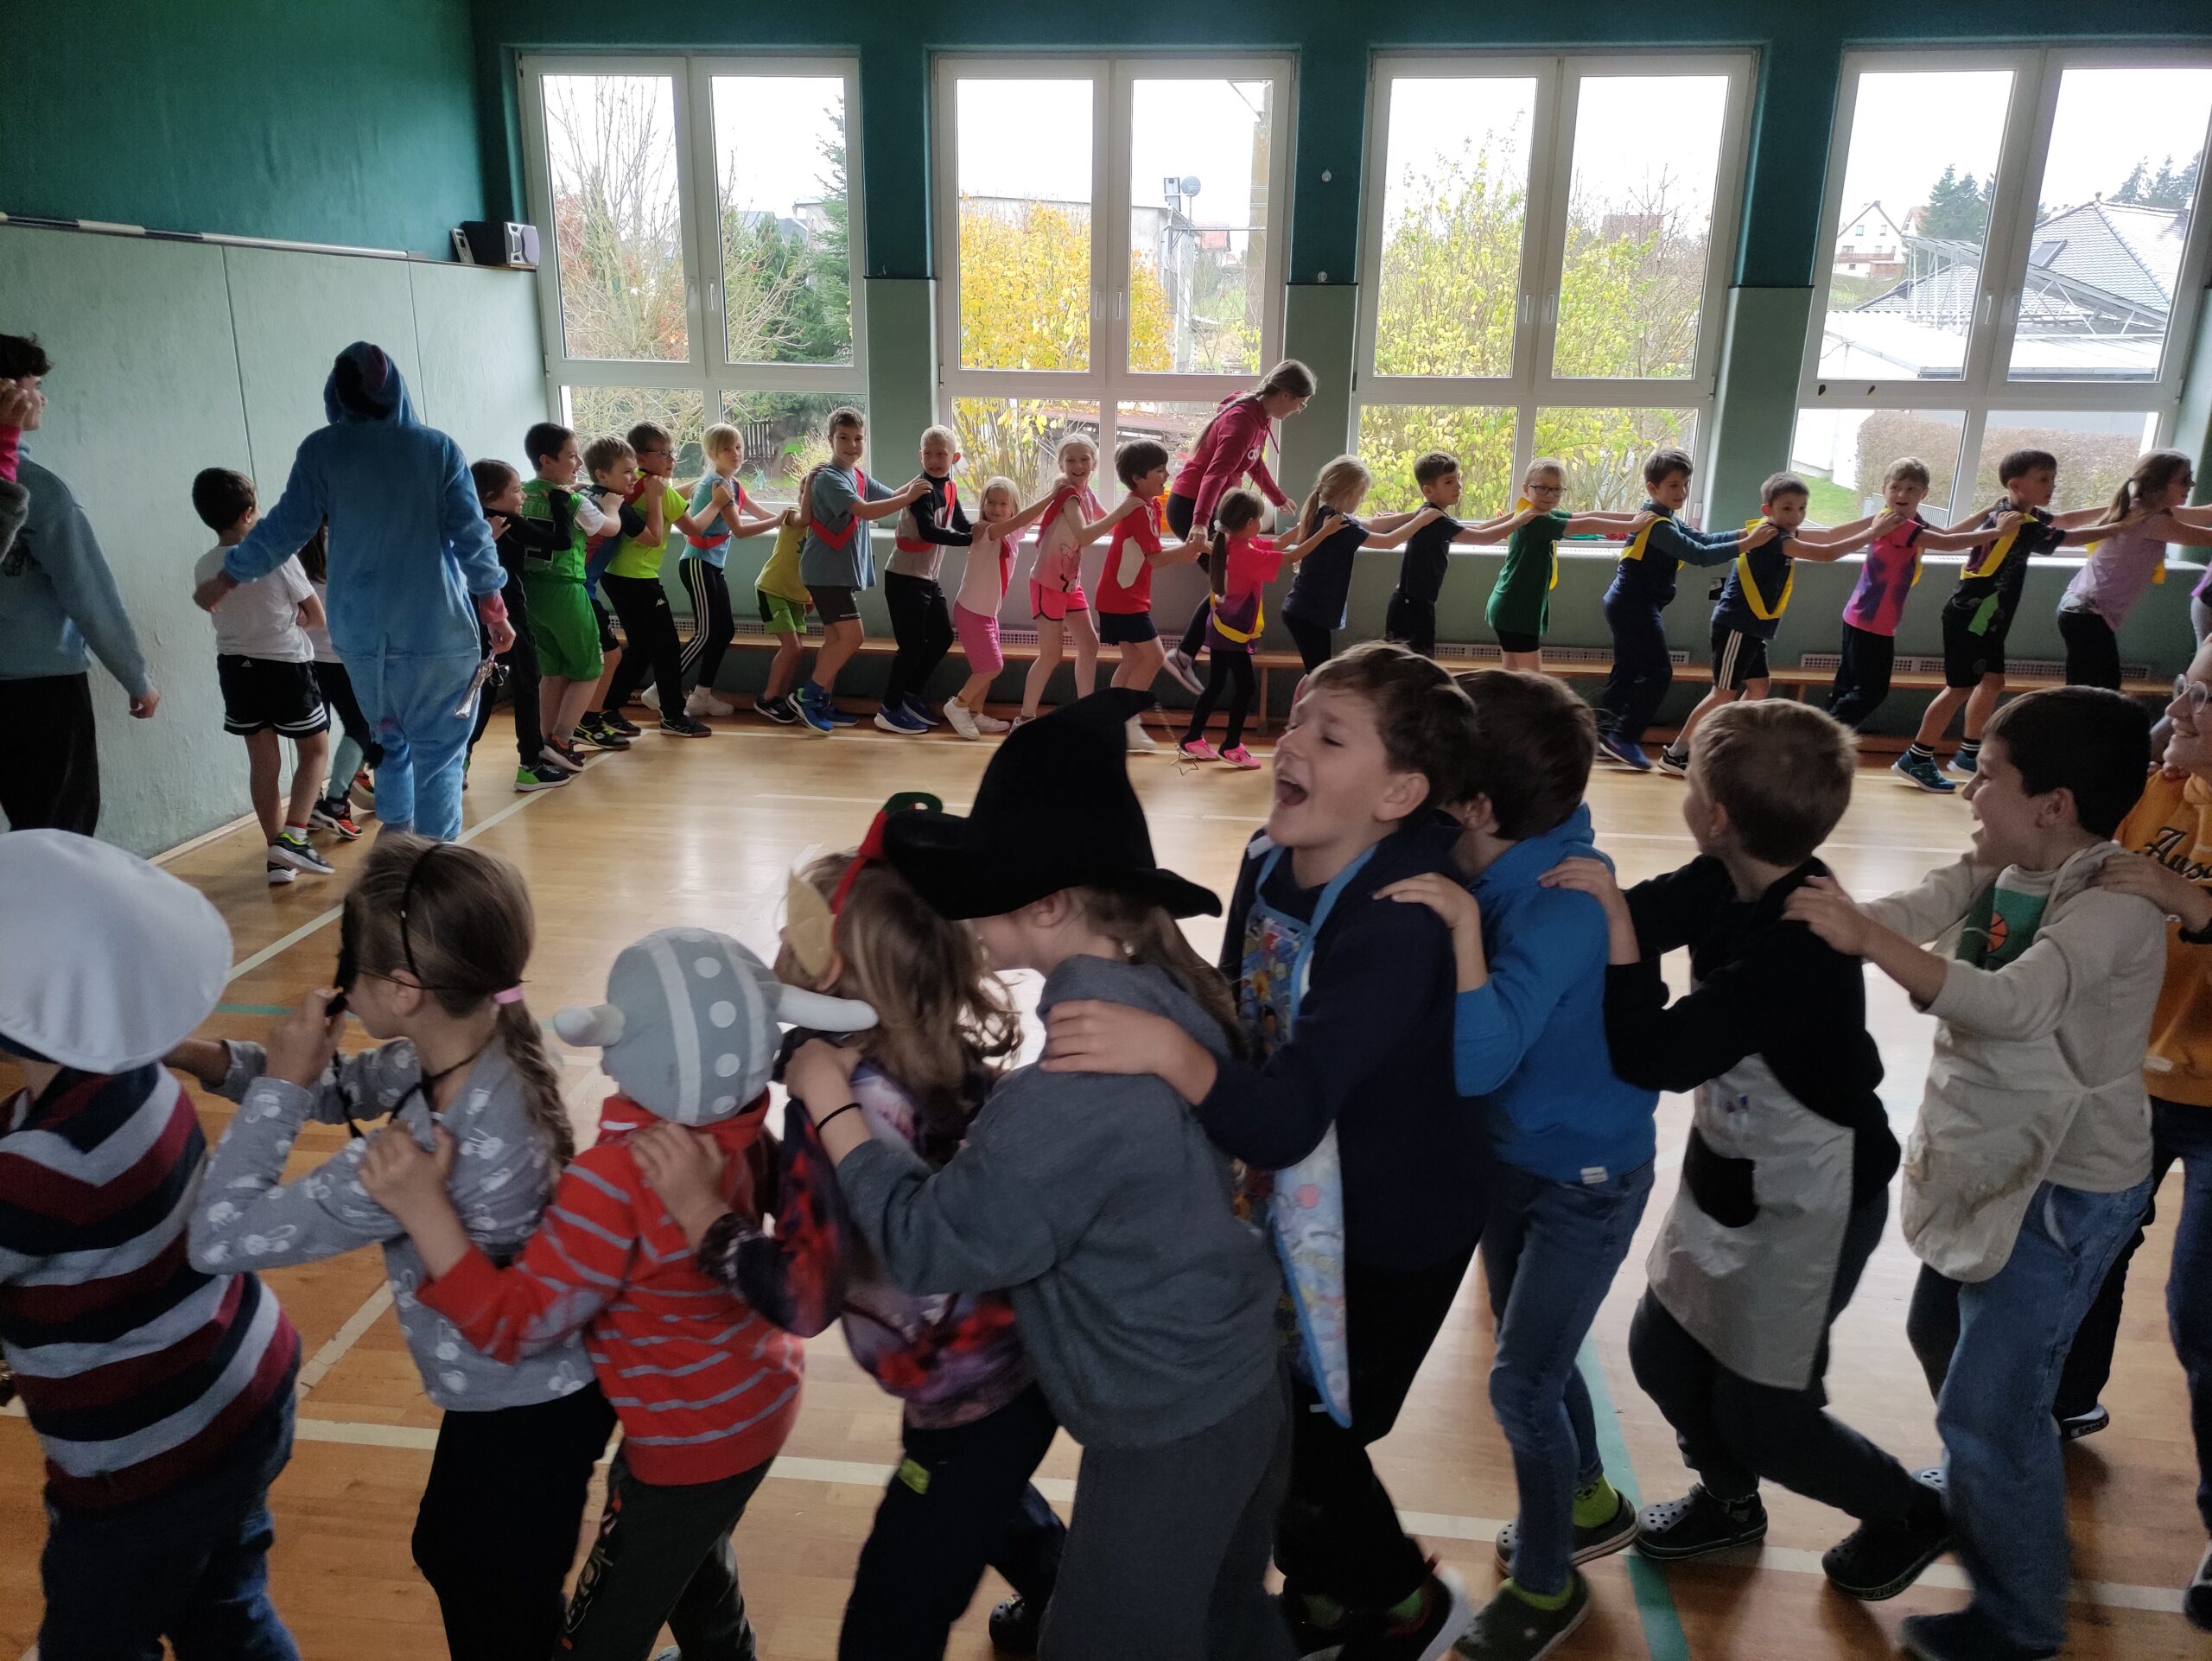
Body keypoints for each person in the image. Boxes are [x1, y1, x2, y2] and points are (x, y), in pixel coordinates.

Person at [794, 688, 1290, 1661]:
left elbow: (927, 1243)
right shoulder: (1158, 992)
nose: (964, 916)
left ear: (1051, 905)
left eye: (983, 887)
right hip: (1235, 1384)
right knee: (1226, 1621)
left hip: (1169, 1427)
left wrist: (830, 1102)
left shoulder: (1072, 1087)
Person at [1045, 647, 1486, 1661]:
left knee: (1312, 1433)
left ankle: (1406, 1603)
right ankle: (1327, 1597)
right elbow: (1242, 1008)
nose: (1291, 744)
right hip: (1291, 1196)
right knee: (1275, 1418)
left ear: (1399, 793)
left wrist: (1168, 1053)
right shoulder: (1266, 853)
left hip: (1390, 1223)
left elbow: (1286, 1114)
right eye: (1295, 720)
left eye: (1330, 735)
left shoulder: (1398, 920)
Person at [360, 926, 872, 1660]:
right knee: (690, 1555)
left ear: (619, 1045)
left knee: (604, 1630)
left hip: (686, 1440)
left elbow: (514, 1325)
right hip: (757, 1402)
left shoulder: (614, 1180)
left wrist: (423, 1208)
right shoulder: (743, 1132)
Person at [1784, 687, 2162, 1661]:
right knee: (1936, 1329)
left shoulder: (2114, 905)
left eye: (1986, 774)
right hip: (1997, 1158)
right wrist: (1826, 922)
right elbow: (1921, 905)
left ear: (2054, 804)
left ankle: (2020, 1620)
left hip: (2066, 1190)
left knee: (1990, 1404)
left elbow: (2014, 1004)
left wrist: (1867, 942)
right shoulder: (2007, 864)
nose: (1967, 789)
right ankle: (1985, 1480)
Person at [166, 837, 612, 1661]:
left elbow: (219, 1236)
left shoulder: (409, 1160)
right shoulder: (486, 1040)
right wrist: (202, 1057)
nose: (340, 983)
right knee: (455, 1554)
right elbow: (345, 1087)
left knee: (493, 1600)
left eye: (351, 968)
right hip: (523, 1393)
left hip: (525, 1409)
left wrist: (281, 1088)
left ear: (404, 991)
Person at [1544, 701, 1950, 1606]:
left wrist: (1614, 940)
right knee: (1662, 1349)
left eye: (1690, 781)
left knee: (1765, 1413)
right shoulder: (1722, 877)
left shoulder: (1801, 940)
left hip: (1817, 1195)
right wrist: (1560, 911)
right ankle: (1729, 1501)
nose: (1685, 794)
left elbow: (1657, 1054)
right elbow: (1638, 915)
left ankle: (1907, 1512)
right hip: (1734, 1166)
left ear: (1717, 815)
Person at [633, 831, 1068, 1661]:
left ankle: (1073, 1607)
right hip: (1017, 1365)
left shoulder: (834, 1107)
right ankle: (1058, 1589)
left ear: (827, 974)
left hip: (964, 1397)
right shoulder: (934, 1050)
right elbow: (854, 1217)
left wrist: (701, 1214)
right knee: (989, 1497)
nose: (775, 944)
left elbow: (806, 1298)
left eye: (789, 933)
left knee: (887, 1621)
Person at [1376, 670, 1655, 1659]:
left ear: (1476, 805)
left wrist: (1460, 927)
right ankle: (1586, 1499)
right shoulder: (1488, 846)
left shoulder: (1560, 903)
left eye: (1430, 770)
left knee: (1521, 1384)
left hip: (1584, 1179)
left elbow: (1480, 1057)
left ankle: (1547, 1581)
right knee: (1537, 1348)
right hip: (1510, 1155)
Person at [0, 830, 302, 1661]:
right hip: (238, 1392)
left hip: (147, 1458)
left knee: (95, 1641)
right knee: (225, 1609)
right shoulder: (132, 1077)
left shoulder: (49, 1165)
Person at [196, 342, 512, 843]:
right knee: (439, 754)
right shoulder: (436, 449)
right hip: (436, 633)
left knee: (389, 741)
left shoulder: (322, 450)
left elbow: (283, 528)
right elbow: (473, 538)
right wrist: (494, 610)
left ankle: (395, 838)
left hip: (360, 636)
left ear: (336, 394)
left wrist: (229, 575)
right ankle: (434, 858)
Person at [2051, 646, 2212, 1629]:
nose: (2179, 705)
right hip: (2131, 1080)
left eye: (2205, 695)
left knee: (2204, 1317)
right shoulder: (2158, 791)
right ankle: (2057, 1406)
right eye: (2187, 682)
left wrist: (2193, 905)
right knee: (2079, 1250)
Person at [0, 335, 159, 835]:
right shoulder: (41, 490)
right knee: (60, 833)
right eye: (34, 386)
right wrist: (136, 677)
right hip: (44, 692)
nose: (42, 398)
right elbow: (89, 595)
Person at [1895, 449, 2109, 788]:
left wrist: (2113, 510)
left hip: (1990, 617)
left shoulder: (2021, 512)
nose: (2051, 485)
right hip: (1972, 616)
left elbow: (2065, 520)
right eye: (2043, 479)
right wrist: (2122, 526)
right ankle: (1916, 758)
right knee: (1958, 689)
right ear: (2016, 485)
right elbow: (2068, 538)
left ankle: (1969, 752)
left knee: (1993, 682)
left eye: (2052, 479)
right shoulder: (2018, 522)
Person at [1655, 474, 1891, 778]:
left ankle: (1725, 746)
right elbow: (1827, 553)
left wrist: (1878, 518)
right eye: (1788, 508)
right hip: (1736, 626)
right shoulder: (1773, 538)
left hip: (1754, 629)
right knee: (1722, 693)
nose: (1796, 516)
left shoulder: (1784, 533)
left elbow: (1830, 534)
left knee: (1758, 688)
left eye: (1802, 508)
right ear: (1768, 510)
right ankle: (1677, 753)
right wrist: (1875, 532)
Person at [189, 468, 336, 883]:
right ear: (249, 513)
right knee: (315, 752)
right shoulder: (276, 556)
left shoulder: (204, 565)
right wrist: (296, 624)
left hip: (235, 669)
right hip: (285, 666)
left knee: (263, 762)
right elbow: (317, 617)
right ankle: (294, 836)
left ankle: (277, 858)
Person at [1593, 447, 1773, 772]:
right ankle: (1624, 737)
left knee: (1628, 668)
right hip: (1633, 606)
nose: (1683, 491)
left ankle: (1604, 734)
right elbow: (1699, 555)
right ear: (1653, 488)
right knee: (1659, 672)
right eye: (1674, 485)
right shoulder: (1658, 526)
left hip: (1627, 603)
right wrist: (1749, 544)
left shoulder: (1666, 519)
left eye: (1686, 484)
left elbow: (1703, 539)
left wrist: (1747, 532)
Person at [1160, 360, 1316, 694]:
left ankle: (1193, 650)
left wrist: (1276, 497)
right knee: (1228, 584)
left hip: (1208, 506)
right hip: (1191, 505)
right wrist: (1200, 523)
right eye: (1301, 403)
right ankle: (1187, 654)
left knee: (1227, 585)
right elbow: (1215, 474)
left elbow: (1251, 461)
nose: (1300, 410)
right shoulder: (1244, 420)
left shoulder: (1257, 414)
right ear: (1286, 395)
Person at [1824, 459, 2005, 739]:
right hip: (1870, 620)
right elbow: (1948, 544)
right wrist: (1997, 532)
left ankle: (1822, 735)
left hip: (1866, 618)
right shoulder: (1896, 524)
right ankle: (1824, 737)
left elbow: (1948, 533)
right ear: (1884, 490)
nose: (1902, 494)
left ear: (1924, 494)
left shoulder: (1910, 522)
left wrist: (1987, 512)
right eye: (1896, 487)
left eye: (1911, 489)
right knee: (1871, 691)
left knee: (1849, 687)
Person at [795, 407, 928, 734]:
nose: (852, 445)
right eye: (844, 438)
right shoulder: (828, 478)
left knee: (835, 640)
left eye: (858, 439)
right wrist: (909, 497)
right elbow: (866, 511)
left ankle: (822, 701)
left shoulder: (857, 475)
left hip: (838, 574)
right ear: (830, 439)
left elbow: (893, 496)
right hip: (825, 574)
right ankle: (806, 697)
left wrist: (929, 473)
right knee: (853, 637)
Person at [600, 420, 727, 739]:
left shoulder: (636, 484)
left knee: (641, 647)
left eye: (673, 452)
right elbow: (694, 528)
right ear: (641, 458)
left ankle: (607, 708)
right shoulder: (658, 490)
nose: (672, 459)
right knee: (666, 647)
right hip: (638, 579)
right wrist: (716, 502)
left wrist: (696, 484)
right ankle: (672, 716)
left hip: (616, 576)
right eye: (664, 453)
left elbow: (671, 499)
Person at [2052, 449, 2212, 690]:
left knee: (2091, 690)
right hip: (2086, 613)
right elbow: (2203, 536)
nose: (2191, 484)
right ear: (2159, 483)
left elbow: (2204, 515)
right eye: (2184, 479)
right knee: (2099, 692)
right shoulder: (2152, 520)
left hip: (2080, 610)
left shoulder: (2145, 509)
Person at [1090, 438, 1208, 750]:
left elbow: (1151, 552)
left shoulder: (1149, 506)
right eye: (1159, 470)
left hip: (1123, 597)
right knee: (1154, 657)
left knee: (1132, 659)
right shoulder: (1137, 509)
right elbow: (1154, 559)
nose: (1167, 475)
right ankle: (1128, 722)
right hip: (1122, 600)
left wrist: (1188, 550)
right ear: (1138, 478)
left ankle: (1114, 721)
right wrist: (1184, 552)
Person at [517, 424, 623, 768]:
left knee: (553, 670)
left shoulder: (520, 493)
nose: (578, 463)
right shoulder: (575, 502)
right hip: (564, 588)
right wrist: (612, 505)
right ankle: (562, 738)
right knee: (591, 668)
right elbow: (610, 528)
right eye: (572, 456)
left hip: (527, 592)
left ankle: (546, 740)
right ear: (547, 460)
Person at [1279, 455, 1442, 676]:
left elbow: (1372, 523)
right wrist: (1421, 520)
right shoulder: (1340, 525)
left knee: (1317, 673)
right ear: (1347, 492)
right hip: (1309, 614)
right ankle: (1305, 699)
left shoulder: (1326, 514)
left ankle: (1306, 696)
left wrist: (1413, 515)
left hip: (1302, 609)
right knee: (1320, 675)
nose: (1362, 499)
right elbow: (1388, 542)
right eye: (1361, 494)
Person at [1485, 459, 1650, 672]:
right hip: (1515, 610)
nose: (1549, 495)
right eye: (1542, 488)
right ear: (1526, 489)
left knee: (1513, 677)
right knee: (1534, 681)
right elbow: (1583, 525)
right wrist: (1633, 525)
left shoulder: (1541, 513)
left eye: (1557, 489)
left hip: (1510, 607)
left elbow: (1590, 515)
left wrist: (1639, 516)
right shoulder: (1536, 521)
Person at [467, 458, 570, 793]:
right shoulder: (506, 521)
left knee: (485, 688)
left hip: (476, 619)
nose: (522, 496)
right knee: (527, 683)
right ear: (491, 496)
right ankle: (531, 765)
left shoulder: (468, 523)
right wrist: (560, 502)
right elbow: (561, 542)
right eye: (515, 490)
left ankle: (461, 761)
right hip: (506, 619)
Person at [1381, 451, 1538, 659]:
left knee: (1415, 667)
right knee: (1412, 669)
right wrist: (1520, 520)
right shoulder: (1435, 519)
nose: (1459, 486)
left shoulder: (1432, 514)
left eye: (1458, 478)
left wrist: (1517, 514)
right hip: (1412, 607)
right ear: (1428, 490)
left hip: (1413, 604)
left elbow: (1479, 528)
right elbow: (1482, 538)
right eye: (1449, 482)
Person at [677, 422, 784, 722]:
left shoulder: (733, 484)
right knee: (706, 633)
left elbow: (761, 513)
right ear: (713, 453)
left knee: (724, 631)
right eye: (727, 449)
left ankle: (701, 696)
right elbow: (740, 530)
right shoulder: (717, 486)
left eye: (738, 447)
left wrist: (789, 520)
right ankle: (663, 686)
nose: (736, 453)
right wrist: (778, 522)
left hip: (712, 567)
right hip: (697, 563)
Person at [944, 476, 1061, 741]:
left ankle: (975, 713)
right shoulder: (983, 530)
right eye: (991, 502)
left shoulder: (1012, 533)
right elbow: (1021, 520)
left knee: (986, 668)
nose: (996, 508)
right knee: (992, 667)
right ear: (983, 504)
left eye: (1003, 504)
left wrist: (1058, 496)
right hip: (972, 612)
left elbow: (1030, 518)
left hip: (988, 612)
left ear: (1012, 507)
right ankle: (958, 704)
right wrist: (1052, 494)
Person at [877, 423, 971, 734]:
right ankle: (888, 708)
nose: (934, 460)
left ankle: (910, 694)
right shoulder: (922, 490)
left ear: (954, 457)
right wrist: (970, 540)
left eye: (941, 454)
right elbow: (930, 531)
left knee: (942, 637)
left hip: (926, 579)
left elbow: (960, 522)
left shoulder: (949, 487)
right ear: (920, 456)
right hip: (904, 578)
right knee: (912, 647)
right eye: (928, 454)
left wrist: (985, 532)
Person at [1018, 435, 1109, 725]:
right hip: (1047, 584)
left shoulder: (1088, 494)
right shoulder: (1069, 495)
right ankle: (1025, 719)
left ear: (1094, 463)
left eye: (1084, 459)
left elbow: (1112, 525)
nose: (1078, 465)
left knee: (1089, 645)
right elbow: (1085, 534)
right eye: (1071, 460)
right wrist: (1124, 511)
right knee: (1051, 655)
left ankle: (1085, 714)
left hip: (1070, 584)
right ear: (1061, 465)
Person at [296, 525, 377, 833]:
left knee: (315, 735)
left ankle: (312, 804)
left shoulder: (293, 543)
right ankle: (336, 803)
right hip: (342, 656)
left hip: (303, 655)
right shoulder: (350, 542)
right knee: (362, 726)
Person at [754, 502, 815, 724]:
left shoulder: (823, 529)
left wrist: (812, 595)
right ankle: (767, 698)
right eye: (802, 491)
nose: (804, 496)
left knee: (797, 650)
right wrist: (811, 489)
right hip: (772, 590)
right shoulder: (792, 515)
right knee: (792, 647)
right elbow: (804, 518)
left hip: (797, 596)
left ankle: (780, 697)